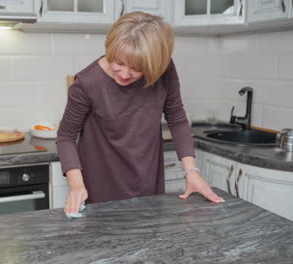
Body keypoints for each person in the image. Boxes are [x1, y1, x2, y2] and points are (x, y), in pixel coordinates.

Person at [56, 11, 225, 215]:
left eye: (137, 69)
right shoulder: (87, 83)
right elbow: (65, 137)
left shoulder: (164, 71)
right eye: (118, 62)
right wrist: (76, 185)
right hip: (101, 188)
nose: (125, 74)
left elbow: (177, 118)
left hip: (149, 185)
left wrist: (191, 171)